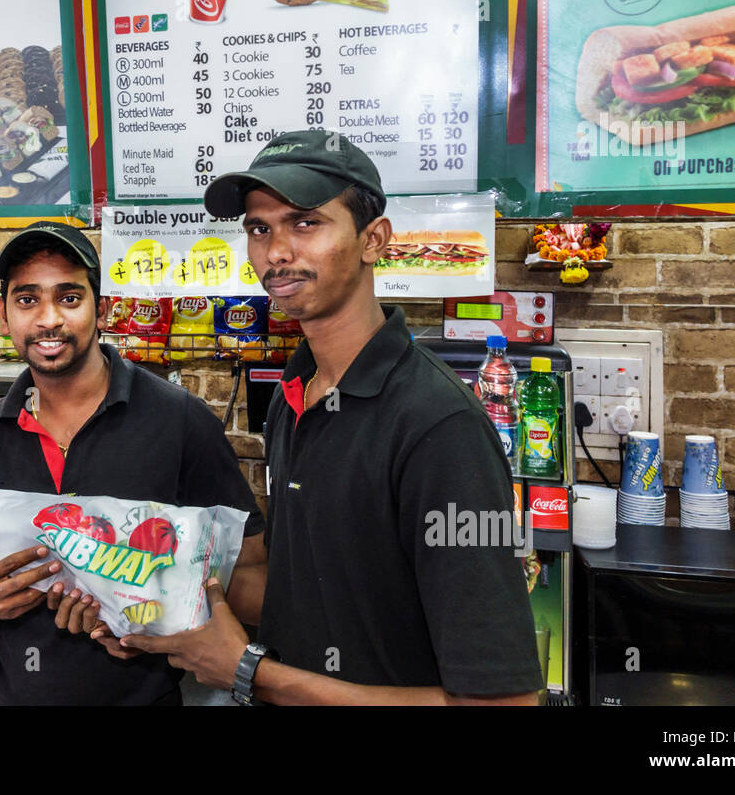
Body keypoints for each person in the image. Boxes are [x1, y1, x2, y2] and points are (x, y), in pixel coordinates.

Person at [122, 130, 543, 705]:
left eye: (305, 223)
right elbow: (307, 596)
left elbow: (503, 703)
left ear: (375, 240)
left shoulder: (439, 425)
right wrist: (139, 594)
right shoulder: (297, 395)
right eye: (258, 228)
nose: (276, 252)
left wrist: (248, 671)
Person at [0, 222, 266, 705]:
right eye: (27, 300)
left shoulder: (180, 421)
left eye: (69, 297)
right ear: (3, 316)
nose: (48, 319)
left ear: (103, 309)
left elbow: (252, 571)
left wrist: (152, 618)